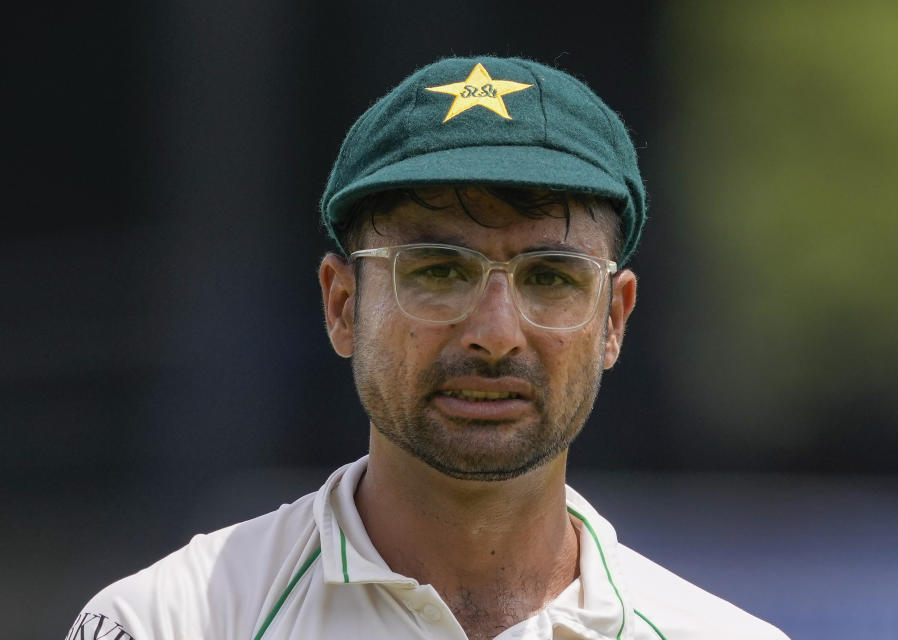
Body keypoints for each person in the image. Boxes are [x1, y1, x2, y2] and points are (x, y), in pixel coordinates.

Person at [67, 56, 789, 640]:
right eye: (439, 271)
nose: (497, 334)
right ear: (342, 305)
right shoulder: (172, 621)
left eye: (550, 277)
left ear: (614, 321)